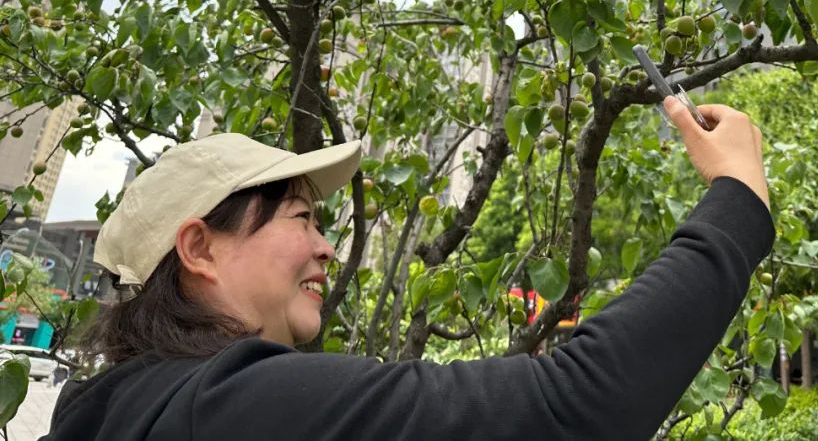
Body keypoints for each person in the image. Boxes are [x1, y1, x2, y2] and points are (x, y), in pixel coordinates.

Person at [42, 97, 773, 441]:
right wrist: (736, 205)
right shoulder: (233, 407)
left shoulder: (109, 413)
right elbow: (571, 408)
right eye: (302, 218)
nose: (327, 247)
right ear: (199, 249)